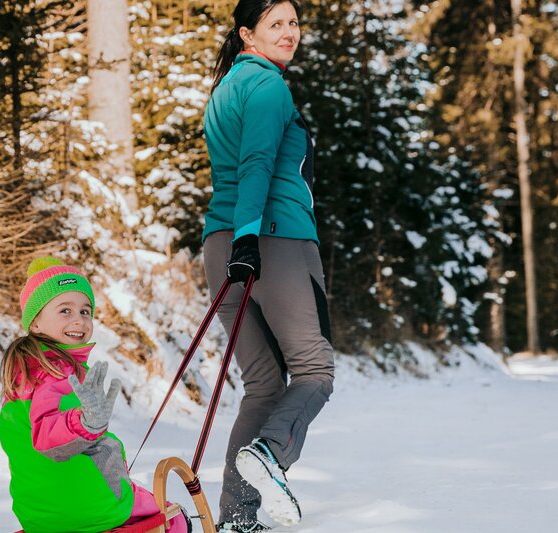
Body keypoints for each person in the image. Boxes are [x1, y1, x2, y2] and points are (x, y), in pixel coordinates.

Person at [201, 1, 335, 531]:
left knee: (262, 384)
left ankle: (236, 517)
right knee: (315, 370)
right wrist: (251, 237)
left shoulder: (224, 90)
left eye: (294, 23)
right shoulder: (269, 86)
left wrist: (236, 241)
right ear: (247, 33)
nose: (289, 32)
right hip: (273, 242)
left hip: (220, 243)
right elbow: (257, 163)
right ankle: (271, 455)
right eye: (275, 23)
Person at [0, 256, 189, 533]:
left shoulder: (22, 375)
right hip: (88, 509)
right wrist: (86, 424)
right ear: (35, 323)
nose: (79, 320)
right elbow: (47, 435)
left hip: (37, 516)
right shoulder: (54, 372)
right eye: (65, 311)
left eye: (85, 311)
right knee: (175, 518)